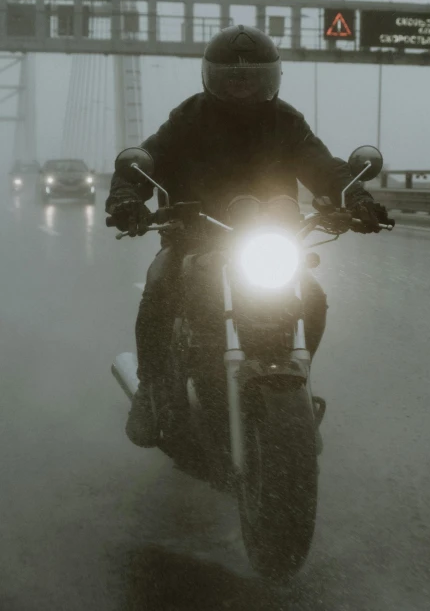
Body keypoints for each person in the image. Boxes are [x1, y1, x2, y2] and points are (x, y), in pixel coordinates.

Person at [106, 25, 391, 447]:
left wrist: (358, 198)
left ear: (271, 78)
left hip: (269, 238)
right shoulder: (187, 120)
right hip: (195, 238)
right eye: (232, 79)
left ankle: (293, 381)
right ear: (212, 79)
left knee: (310, 297)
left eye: (252, 77)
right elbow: (144, 163)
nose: (242, 88)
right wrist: (127, 200)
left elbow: (325, 167)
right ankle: (150, 392)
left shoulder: (286, 122)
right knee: (160, 287)